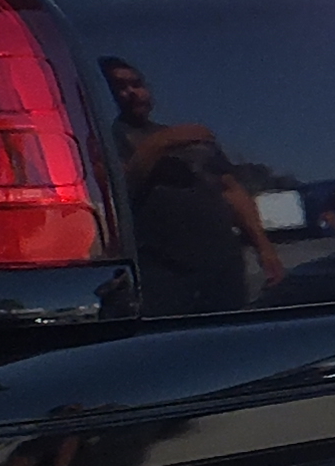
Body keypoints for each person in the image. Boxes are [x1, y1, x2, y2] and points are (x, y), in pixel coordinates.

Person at [98, 56, 285, 308]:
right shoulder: (108, 140)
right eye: (119, 87)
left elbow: (231, 190)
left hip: (224, 261)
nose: (131, 92)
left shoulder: (191, 139)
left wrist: (264, 247)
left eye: (137, 84)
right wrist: (161, 143)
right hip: (162, 269)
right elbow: (120, 190)